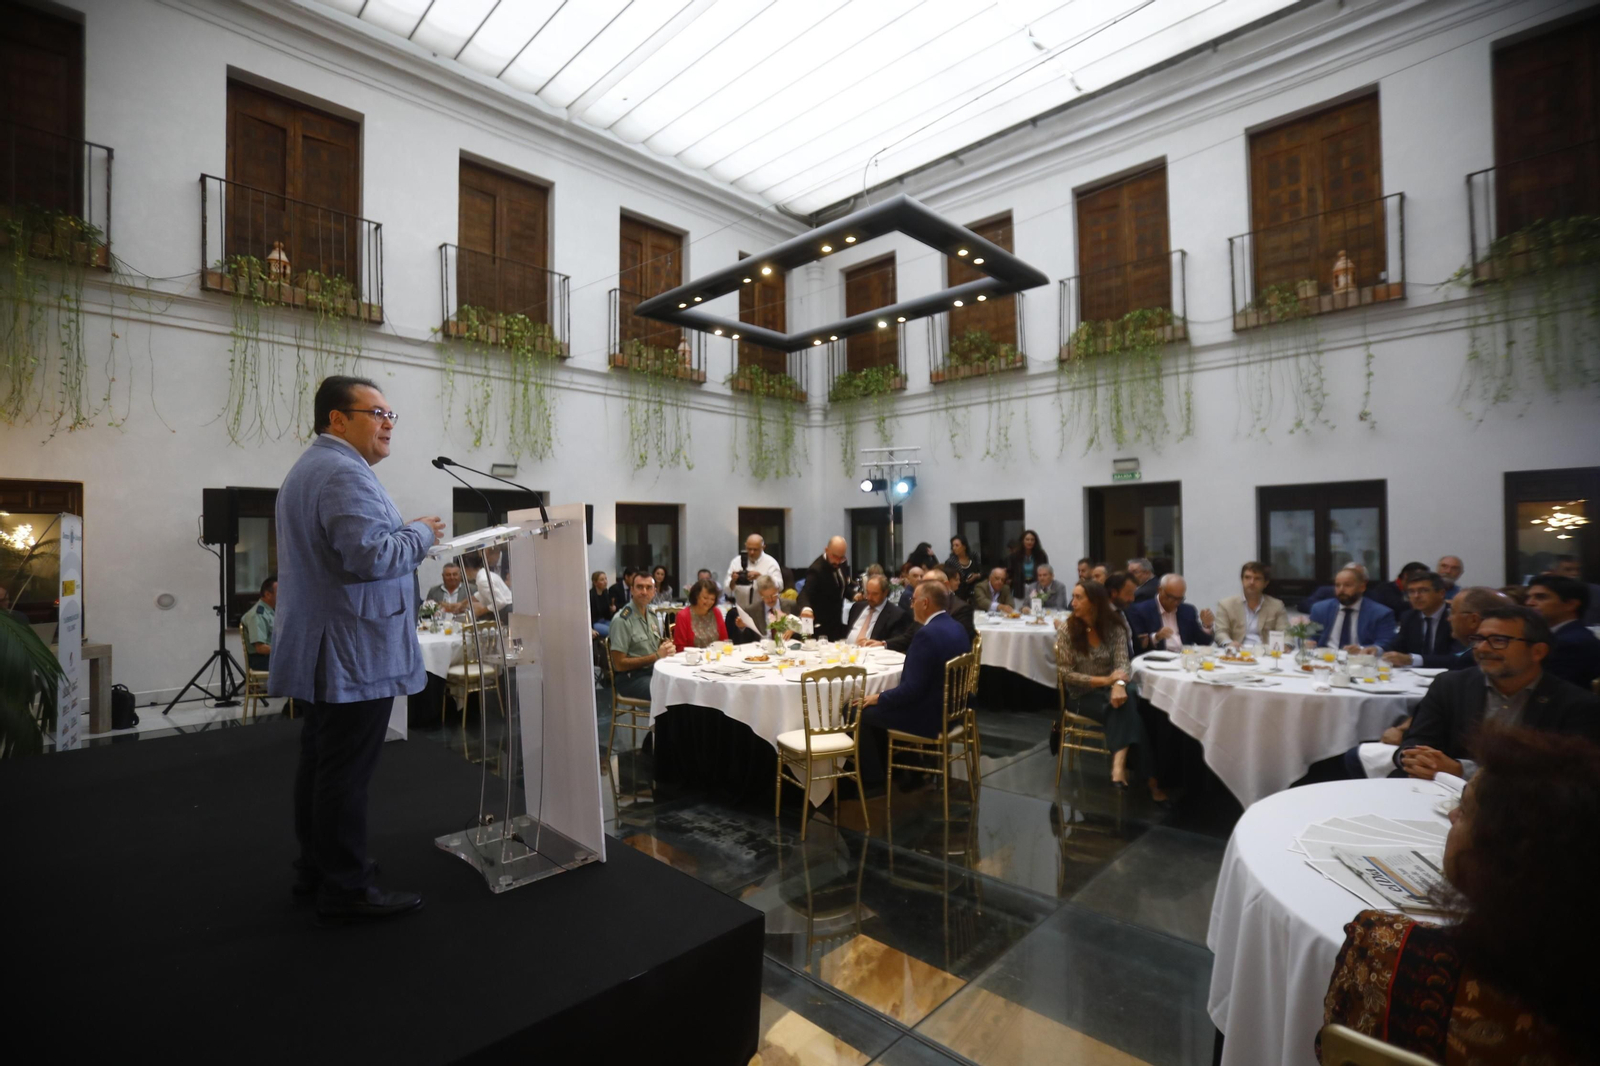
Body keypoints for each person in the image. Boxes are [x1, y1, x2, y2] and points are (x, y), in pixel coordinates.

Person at [270, 375, 443, 923]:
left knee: (323, 763)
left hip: (334, 642)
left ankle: (317, 868)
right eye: (377, 413)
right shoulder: (343, 473)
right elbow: (369, 556)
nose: (388, 423)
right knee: (344, 771)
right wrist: (421, 533)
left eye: (392, 414)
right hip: (352, 646)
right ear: (337, 419)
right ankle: (345, 886)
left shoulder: (315, 468)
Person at [1321, 727, 1600, 1063]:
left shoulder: (1387, 948)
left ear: (1503, 857)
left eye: (1465, 809)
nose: (1451, 815)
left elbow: (1334, 1051)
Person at [1396, 606, 1600, 781]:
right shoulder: (1450, 685)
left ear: (1537, 651)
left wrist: (1461, 771)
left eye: (1499, 640)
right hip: (1442, 797)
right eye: (1478, 639)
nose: (1483, 648)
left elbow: (1568, 777)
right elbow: (1415, 743)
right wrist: (1415, 758)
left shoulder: (1575, 704)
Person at [1055, 580, 1162, 801]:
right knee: (1129, 704)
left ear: (1094, 602)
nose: (1072, 602)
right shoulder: (1067, 629)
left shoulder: (1114, 627)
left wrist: (1119, 685)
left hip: (1111, 691)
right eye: (1073, 597)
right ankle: (1150, 781)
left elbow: (1123, 663)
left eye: (1078, 598)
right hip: (1080, 696)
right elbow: (1067, 674)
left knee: (1125, 698)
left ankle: (1118, 766)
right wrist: (1107, 681)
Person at [856, 580, 971, 785]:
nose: (911, 605)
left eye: (913, 600)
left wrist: (879, 697)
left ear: (925, 603)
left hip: (930, 716)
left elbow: (911, 691)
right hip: (955, 710)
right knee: (878, 705)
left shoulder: (926, 634)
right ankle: (911, 764)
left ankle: (874, 781)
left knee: (856, 710)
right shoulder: (957, 627)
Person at [608, 572, 677, 700]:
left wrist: (665, 646)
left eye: (649, 588)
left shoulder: (651, 614)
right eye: (640, 587)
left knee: (681, 684)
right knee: (671, 692)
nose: (644, 592)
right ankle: (662, 720)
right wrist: (656, 656)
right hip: (630, 679)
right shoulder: (622, 620)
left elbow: (656, 646)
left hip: (653, 671)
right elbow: (619, 664)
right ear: (632, 590)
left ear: (654, 592)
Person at [1525, 573, 1600, 689]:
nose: (1529, 603)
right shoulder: (1558, 636)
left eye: (1540, 597)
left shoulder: (1571, 642)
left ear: (1571, 604)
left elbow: (1548, 689)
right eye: (1529, 597)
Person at [1309, 565, 1397, 652]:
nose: (1341, 589)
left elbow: (1386, 642)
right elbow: (1311, 637)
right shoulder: (1320, 609)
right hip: (1326, 659)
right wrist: (1307, 642)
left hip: (1360, 660)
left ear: (1362, 587)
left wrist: (1363, 649)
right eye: (1337, 585)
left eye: (1347, 585)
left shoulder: (1381, 613)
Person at [1381, 571, 1457, 666]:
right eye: (1411, 592)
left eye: (1423, 590)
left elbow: (1458, 658)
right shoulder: (1409, 617)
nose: (1416, 596)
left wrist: (1412, 660)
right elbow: (1397, 646)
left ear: (1441, 593)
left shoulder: (1456, 617)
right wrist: (1378, 650)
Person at [1128, 573, 1215, 653]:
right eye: (1171, 597)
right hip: (1158, 661)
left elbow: (1203, 642)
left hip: (1184, 658)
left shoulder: (1188, 610)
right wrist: (1156, 637)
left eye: (1179, 599)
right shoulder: (1141, 610)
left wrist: (1206, 626)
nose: (1175, 603)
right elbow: (1138, 646)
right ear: (1160, 590)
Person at [1212, 561, 1288, 646]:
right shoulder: (1226, 605)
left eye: (1257, 578)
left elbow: (1286, 632)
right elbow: (1221, 632)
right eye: (1247, 577)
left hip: (1266, 654)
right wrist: (1229, 643)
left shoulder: (1276, 605)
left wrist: (1286, 644)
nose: (1251, 582)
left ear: (1265, 583)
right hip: (1236, 653)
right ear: (1242, 580)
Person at [801, 536, 852, 640]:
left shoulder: (842, 563)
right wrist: (806, 608)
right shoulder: (816, 570)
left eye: (841, 557)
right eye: (835, 557)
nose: (838, 561)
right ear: (827, 550)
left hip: (837, 622)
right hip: (821, 626)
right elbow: (805, 593)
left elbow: (841, 588)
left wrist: (854, 595)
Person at [844, 574, 912, 647]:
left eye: (874, 594)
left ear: (885, 593)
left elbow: (897, 643)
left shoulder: (897, 615)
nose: (869, 597)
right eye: (868, 592)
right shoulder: (857, 607)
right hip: (847, 652)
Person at [730, 574, 793, 644]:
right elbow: (744, 640)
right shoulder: (752, 610)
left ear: (777, 590)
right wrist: (742, 627)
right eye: (766, 597)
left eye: (773, 595)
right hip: (761, 650)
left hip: (786, 648)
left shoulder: (791, 605)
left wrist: (794, 629)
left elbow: (803, 628)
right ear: (760, 594)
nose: (770, 600)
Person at [672, 578, 729, 651]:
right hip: (691, 659)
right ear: (696, 596)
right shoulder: (683, 616)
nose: (709, 602)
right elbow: (679, 647)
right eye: (705, 598)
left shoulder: (716, 612)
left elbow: (724, 641)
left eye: (712, 599)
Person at [927, 567, 976, 640]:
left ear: (946, 584)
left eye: (930, 584)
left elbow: (962, 637)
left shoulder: (960, 608)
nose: (924, 587)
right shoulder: (923, 603)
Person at [241, 574, 277, 671]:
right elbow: (260, 648)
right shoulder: (258, 615)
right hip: (262, 660)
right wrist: (283, 650)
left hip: (271, 657)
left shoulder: (271, 611)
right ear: (268, 594)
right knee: (298, 664)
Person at [462, 552, 512, 620]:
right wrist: (466, 601)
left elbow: (500, 602)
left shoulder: (483, 580)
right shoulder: (484, 575)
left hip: (506, 612)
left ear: (466, 568)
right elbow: (484, 593)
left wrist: (480, 611)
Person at [1552, 555, 1600, 625]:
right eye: (1568, 570)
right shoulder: (1547, 593)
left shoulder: (1596, 591)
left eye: (1578, 570)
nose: (1575, 573)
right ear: (1555, 572)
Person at [1103, 571, 1139, 658]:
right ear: (1114, 593)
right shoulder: (1101, 615)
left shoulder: (1126, 610)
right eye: (1128, 594)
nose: (1132, 599)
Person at [1006, 529, 1048, 599]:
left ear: (1035, 542)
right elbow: (1010, 572)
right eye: (1027, 539)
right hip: (1019, 587)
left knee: (1036, 607)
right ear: (1022, 541)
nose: (1029, 542)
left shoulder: (1041, 555)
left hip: (1036, 586)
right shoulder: (1014, 556)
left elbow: (1046, 570)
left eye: (1032, 540)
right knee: (1019, 608)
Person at [943, 534, 982, 600]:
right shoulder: (950, 562)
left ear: (964, 546)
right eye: (953, 546)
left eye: (957, 545)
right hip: (959, 593)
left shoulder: (974, 556)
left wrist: (976, 575)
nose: (954, 548)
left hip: (976, 590)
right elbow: (949, 578)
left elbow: (983, 571)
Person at [588, 571, 615, 639]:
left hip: (605, 620)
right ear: (595, 582)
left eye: (606, 579)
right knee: (612, 631)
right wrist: (590, 629)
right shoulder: (591, 595)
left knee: (620, 628)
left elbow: (607, 612)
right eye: (602, 580)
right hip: (595, 622)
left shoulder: (605, 593)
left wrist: (612, 609)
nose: (605, 581)